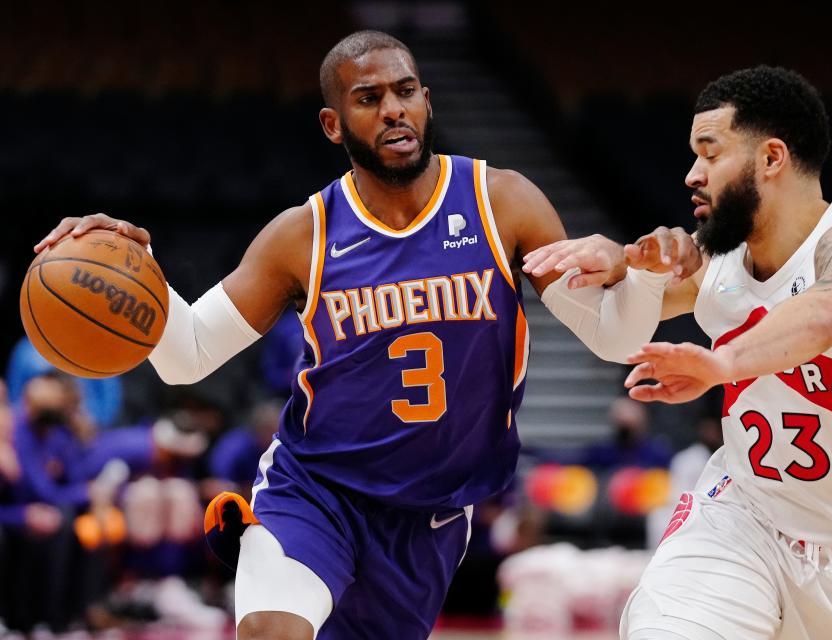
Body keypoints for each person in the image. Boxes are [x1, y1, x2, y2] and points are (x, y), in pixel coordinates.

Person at [34, 30, 699, 639]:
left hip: (430, 515)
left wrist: (640, 278)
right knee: (272, 631)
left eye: (405, 91)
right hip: (315, 490)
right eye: (368, 97)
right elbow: (188, 356)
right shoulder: (304, 235)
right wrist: (133, 267)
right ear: (333, 123)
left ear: (426, 99)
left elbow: (612, 340)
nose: (393, 110)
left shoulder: (502, 201)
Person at [526, 66, 832, 639]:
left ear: (771, 158)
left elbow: (826, 314)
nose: (692, 174)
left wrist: (722, 365)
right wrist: (619, 264)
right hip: (745, 520)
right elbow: (613, 334)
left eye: (709, 153)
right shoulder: (712, 260)